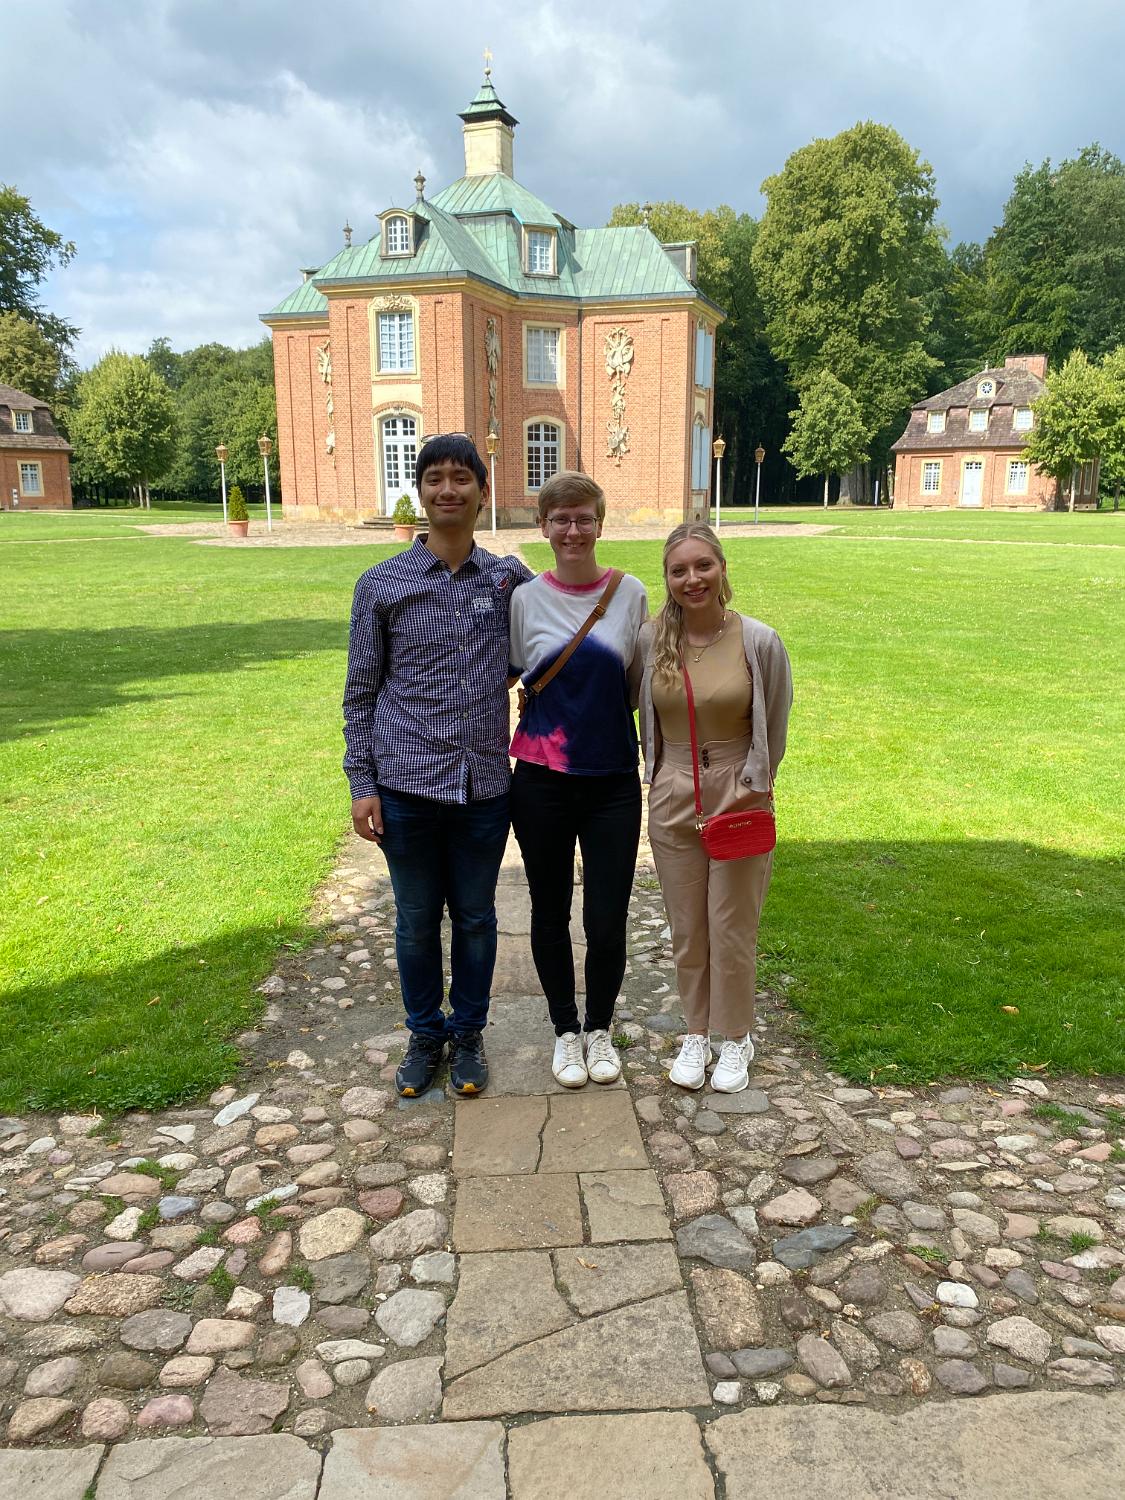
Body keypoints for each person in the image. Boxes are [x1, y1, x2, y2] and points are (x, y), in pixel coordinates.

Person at [343, 434, 532, 1098]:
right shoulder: (381, 584)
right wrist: (361, 783)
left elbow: (552, 635)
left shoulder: (509, 581)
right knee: (417, 919)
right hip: (405, 785)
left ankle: (469, 1034)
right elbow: (361, 691)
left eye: (461, 478)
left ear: (482, 491)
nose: (447, 489)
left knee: (476, 918)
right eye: (434, 478)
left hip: (483, 786)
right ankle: (425, 1035)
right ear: (420, 491)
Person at [639, 522, 792, 1093]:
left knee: (731, 926)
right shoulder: (652, 640)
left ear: (722, 568)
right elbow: (642, 713)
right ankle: (696, 1032)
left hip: (737, 789)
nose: (692, 579)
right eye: (678, 570)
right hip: (673, 790)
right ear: (667, 579)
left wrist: (756, 780)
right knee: (687, 927)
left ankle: (735, 1036)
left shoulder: (759, 641)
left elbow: (774, 722)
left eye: (703, 565)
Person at [509, 472, 648, 1088]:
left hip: (611, 777)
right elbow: (516, 673)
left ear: (599, 523)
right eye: (561, 519)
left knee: (607, 916)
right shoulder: (525, 599)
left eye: (583, 518)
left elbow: (639, 685)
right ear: (544, 526)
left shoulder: (630, 594)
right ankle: (565, 1031)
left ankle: (600, 1029)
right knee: (549, 909)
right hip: (541, 779)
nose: (573, 530)